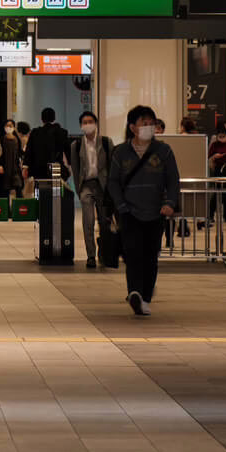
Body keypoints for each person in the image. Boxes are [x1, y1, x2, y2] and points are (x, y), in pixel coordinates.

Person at [107, 106, 180, 316]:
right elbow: (113, 182)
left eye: (151, 123)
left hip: (156, 213)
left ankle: (145, 296)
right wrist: (121, 206)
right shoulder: (120, 152)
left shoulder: (163, 150)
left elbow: (173, 179)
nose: (149, 127)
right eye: (144, 123)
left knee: (150, 256)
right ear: (132, 127)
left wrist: (170, 203)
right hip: (129, 213)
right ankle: (135, 293)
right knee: (132, 254)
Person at [69, 112, 114, 269]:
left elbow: (112, 166)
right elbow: (75, 169)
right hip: (86, 185)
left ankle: (104, 251)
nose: (87, 124)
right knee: (87, 222)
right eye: (84, 122)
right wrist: (79, 189)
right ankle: (90, 256)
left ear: (96, 123)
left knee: (104, 221)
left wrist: (112, 189)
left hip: (103, 186)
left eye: (90, 121)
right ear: (81, 126)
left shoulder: (107, 142)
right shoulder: (75, 146)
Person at [24, 107, 70, 180]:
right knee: (56, 190)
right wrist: (70, 165)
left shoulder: (35, 132)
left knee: (39, 190)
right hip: (55, 166)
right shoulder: (62, 132)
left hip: (38, 167)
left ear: (42, 119)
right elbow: (67, 150)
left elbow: (29, 151)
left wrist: (26, 166)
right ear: (54, 118)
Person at [0, 119, 23, 199]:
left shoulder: (17, 140)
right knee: (5, 190)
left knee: (18, 187)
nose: (8, 128)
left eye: (10, 126)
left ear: (14, 127)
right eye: (7, 126)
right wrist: (0, 165)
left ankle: (19, 208)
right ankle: (6, 209)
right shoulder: (2, 139)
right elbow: (0, 154)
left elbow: (20, 152)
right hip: (5, 167)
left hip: (15, 167)